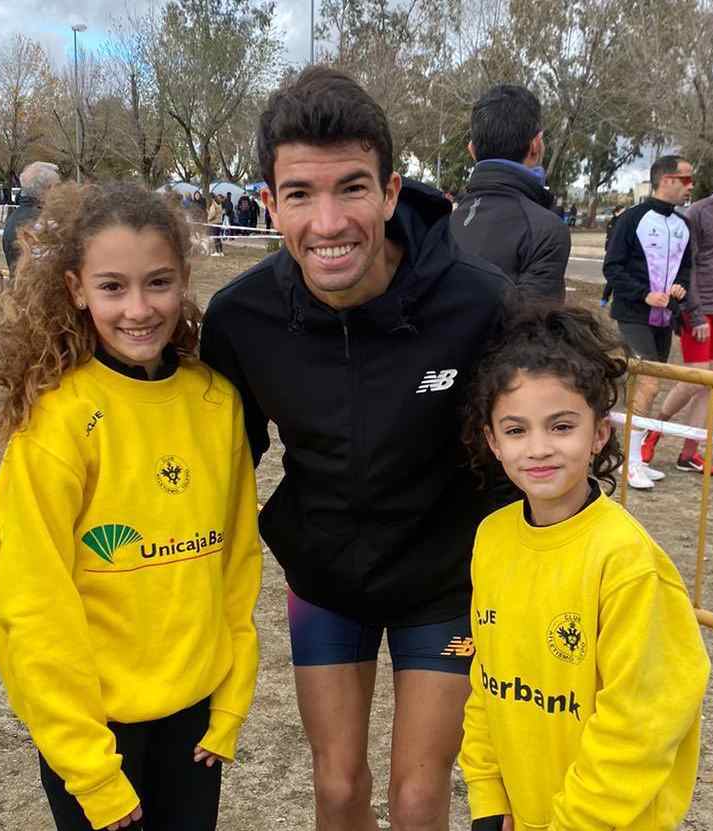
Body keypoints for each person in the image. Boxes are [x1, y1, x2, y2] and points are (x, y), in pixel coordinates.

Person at [200, 67, 509, 831]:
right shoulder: (241, 318)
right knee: (337, 789)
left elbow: (542, 438)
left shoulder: (480, 301)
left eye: (352, 188)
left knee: (416, 796)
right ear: (269, 202)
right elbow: (216, 467)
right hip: (326, 580)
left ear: (392, 191)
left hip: (444, 584)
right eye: (300, 194)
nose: (329, 221)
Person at [0, 181, 261, 831]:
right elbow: (31, 604)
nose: (139, 307)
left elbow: (237, 565)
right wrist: (90, 766)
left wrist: (230, 703)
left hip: (193, 722)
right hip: (96, 733)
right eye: (113, 287)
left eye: (158, 282)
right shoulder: (57, 421)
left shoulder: (216, 403)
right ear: (77, 288)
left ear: (184, 279)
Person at [459, 303, 710, 831]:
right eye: (517, 430)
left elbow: (639, 725)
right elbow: (488, 679)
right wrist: (487, 795)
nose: (540, 448)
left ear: (598, 433)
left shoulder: (627, 562)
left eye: (562, 425)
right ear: (492, 441)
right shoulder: (492, 539)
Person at [642, 152, 713, 477]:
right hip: (699, 311)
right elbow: (685, 268)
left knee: (711, 385)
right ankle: (655, 430)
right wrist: (695, 313)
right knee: (695, 378)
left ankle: (689, 453)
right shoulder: (698, 213)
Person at [602, 155, 693, 490]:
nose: (690, 186)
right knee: (648, 385)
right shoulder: (631, 219)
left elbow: (686, 268)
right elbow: (612, 268)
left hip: (664, 317)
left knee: (648, 386)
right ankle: (631, 462)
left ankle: (633, 455)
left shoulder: (683, 225)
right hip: (632, 314)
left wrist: (681, 287)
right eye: (685, 179)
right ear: (665, 179)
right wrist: (643, 294)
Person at [450, 84, 571, 304]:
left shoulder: (443, 223)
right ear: (535, 145)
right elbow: (534, 329)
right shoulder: (547, 230)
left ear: (472, 150)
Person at [3, 161, 61, 274]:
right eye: (57, 187)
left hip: (18, 287)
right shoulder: (45, 223)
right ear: (48, 189)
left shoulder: (12, 219)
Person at [599, 204, 625, 308]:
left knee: (619, 276)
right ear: (617, 212)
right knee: (614, 275)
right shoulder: (615, 222)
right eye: (623, 211)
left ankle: (609, 299)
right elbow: (611, 237)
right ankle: (605, 298)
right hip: (615, 252)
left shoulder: (620, 221)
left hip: (619, 251)